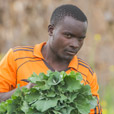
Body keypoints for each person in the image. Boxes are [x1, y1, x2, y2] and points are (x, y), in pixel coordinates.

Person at [0, 4, 102, 113]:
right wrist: (26, 90)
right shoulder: (16, 57)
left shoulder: (86, 73)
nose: (75, 44)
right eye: (68, 36)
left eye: (80, 39)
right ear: (51, 30)